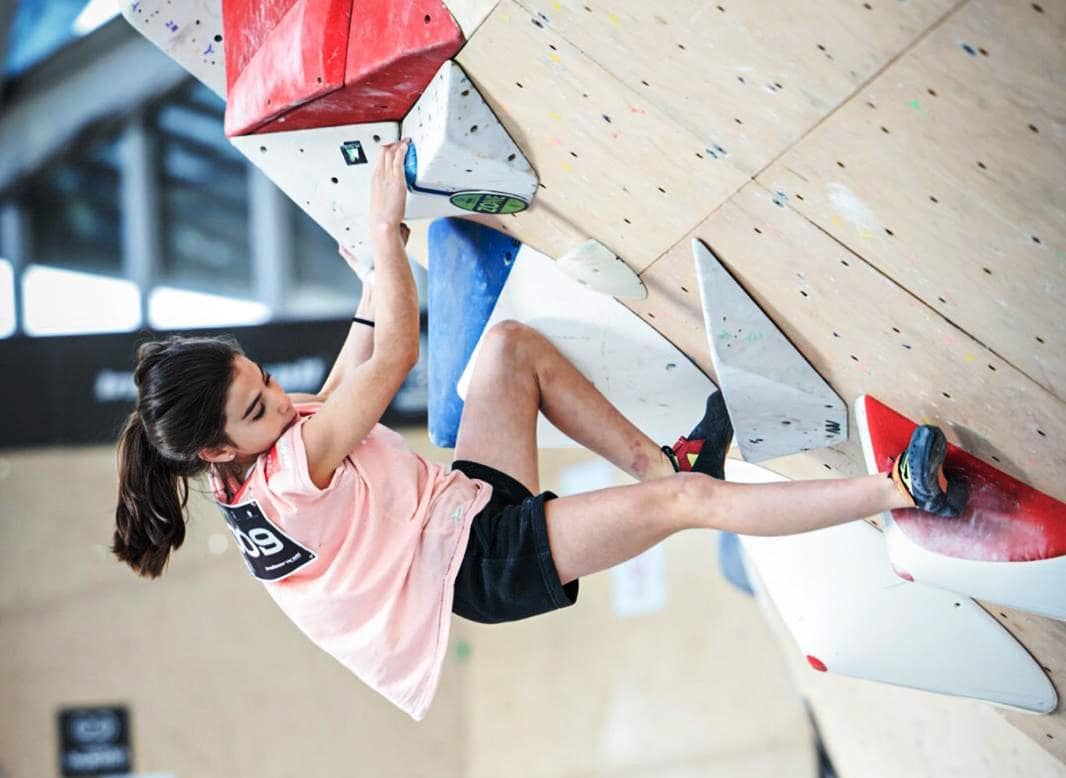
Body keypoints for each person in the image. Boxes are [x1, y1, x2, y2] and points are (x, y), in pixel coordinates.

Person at [112, 139, 968, 720]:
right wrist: (381, 237)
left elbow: (347, 372)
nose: (274, 396)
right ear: (219, 450)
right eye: (257, 405)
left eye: (261, 378)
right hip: (479, 567)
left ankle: (656, 456)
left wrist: (375, 275)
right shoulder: (288, 480)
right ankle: (900, 491)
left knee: (511, 351)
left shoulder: (246, 452)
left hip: (461, 506)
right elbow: (396, 357)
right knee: (686, 505)